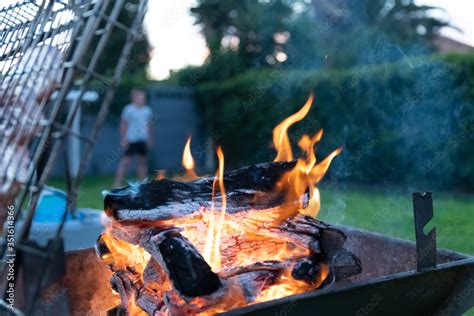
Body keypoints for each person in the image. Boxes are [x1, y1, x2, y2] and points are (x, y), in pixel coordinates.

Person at [113, 89, 153, 187]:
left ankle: (143, 184)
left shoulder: (147, 110)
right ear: (133, 98)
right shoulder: (128, 109)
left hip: (142, 140)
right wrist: (123, 138)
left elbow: (150, 125)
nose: (141, 99)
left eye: (142, 97)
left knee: (143, 162)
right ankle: (117, 184)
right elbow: (123, 124)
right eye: (139, 97)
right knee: (125, 162)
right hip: (131, 140)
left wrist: (150, 139)